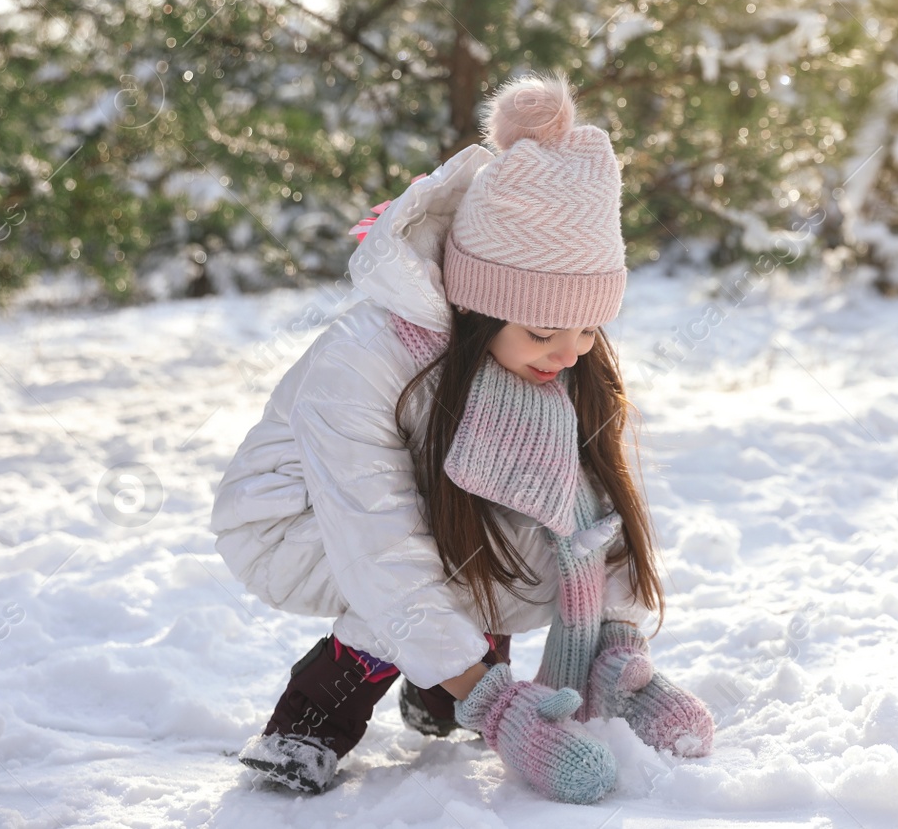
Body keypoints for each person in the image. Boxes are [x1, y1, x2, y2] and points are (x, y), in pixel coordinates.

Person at [209, 72, 713, 804]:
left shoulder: (551, 353)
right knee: (456, 547)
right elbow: (377, 540)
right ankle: (313, 717)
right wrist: (494, 700)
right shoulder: (364, 356)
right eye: (545, 329)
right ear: (482, 305)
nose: (570, 349)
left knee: (542, 532)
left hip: (427, 515)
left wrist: (618, 636)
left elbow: (600, 506)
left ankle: (447, 690)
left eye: (588, 326)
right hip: (293, 521)